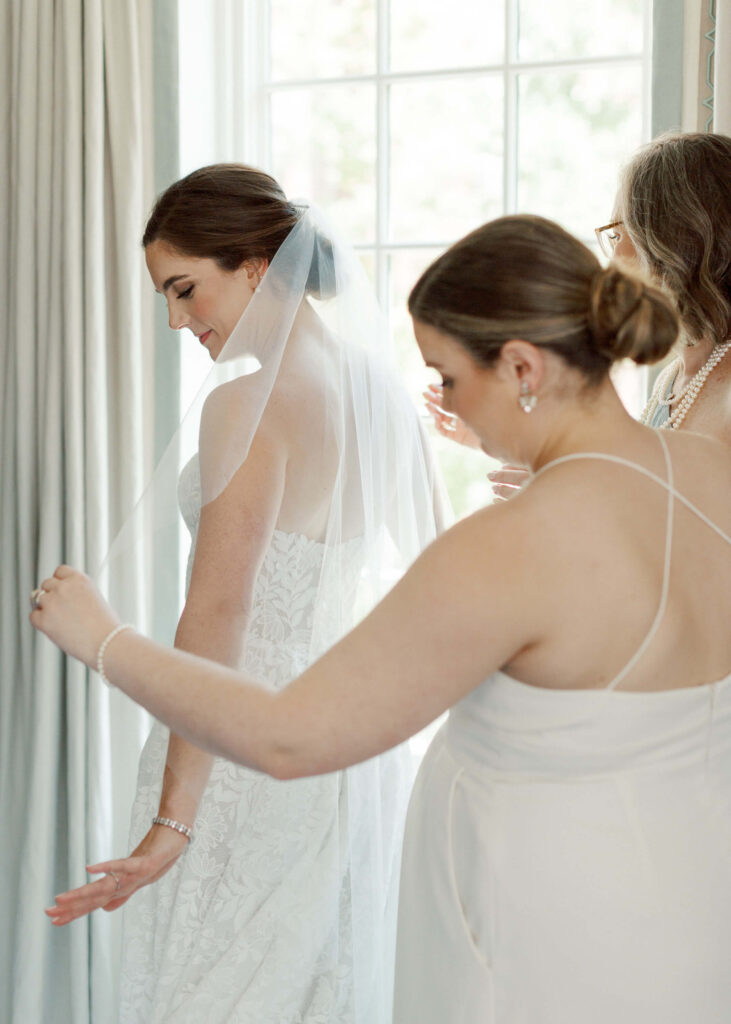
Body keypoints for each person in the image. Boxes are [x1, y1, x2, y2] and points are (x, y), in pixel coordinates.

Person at [32, 214, 731, 1022]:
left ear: (521, 366)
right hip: (686, 905)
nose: (441, 403)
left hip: (543, 937)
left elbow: (289, 737)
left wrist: (104, 638)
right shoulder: (709, 472)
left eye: (446, 376)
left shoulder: (512, 545)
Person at [41, 165, 448, 1023]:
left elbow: (217, 614)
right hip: (344, 752)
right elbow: (440, 576)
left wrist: (172, 825)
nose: (176, 320)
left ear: (257, 266)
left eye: (186, 290)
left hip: (235, 756)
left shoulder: (246, 406)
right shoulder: (384, 399)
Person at [435, 131, 731, 501]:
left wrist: (570, 500)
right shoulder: (675, 378)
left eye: (618, 231)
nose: (612, 257)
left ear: (673, 242)